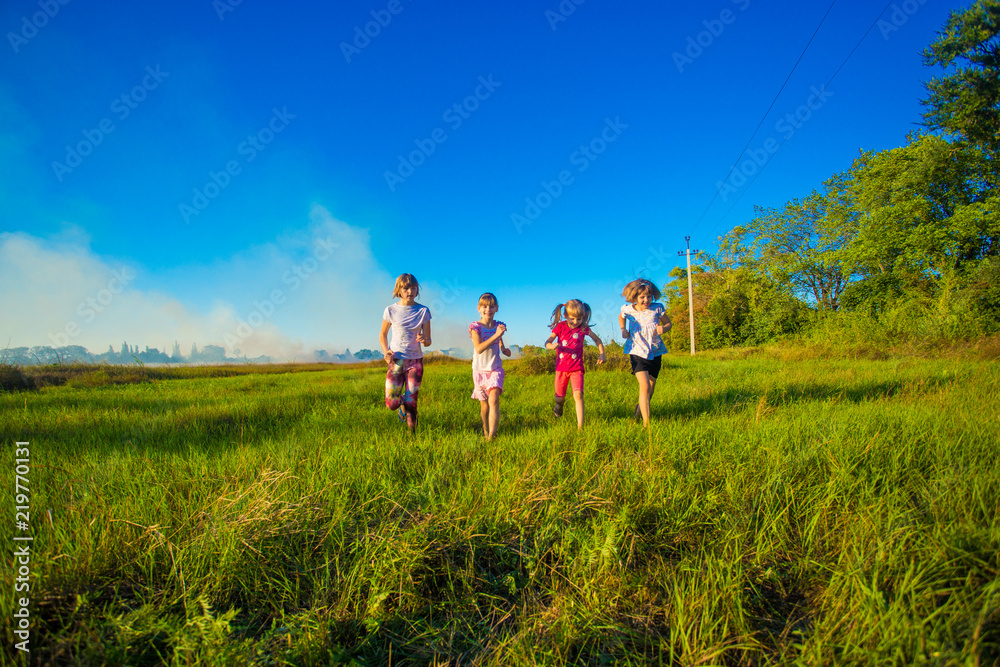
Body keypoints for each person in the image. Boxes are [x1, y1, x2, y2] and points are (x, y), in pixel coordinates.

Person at [379, 273, 432, 432]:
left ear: (417, 290)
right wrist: (386, 352)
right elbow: (382, 334)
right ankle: (401, 401)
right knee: (391, 404)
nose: (410, 291)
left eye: (413, 288)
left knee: (412, 402)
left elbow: (429, 341)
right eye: (406, 288)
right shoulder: (390, 310)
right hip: (396, 361)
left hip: (415, 361)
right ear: (399, 290)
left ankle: (412, 434)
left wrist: (425, 340)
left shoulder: (423, 311)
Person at [545, 299, 605, 430]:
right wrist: (551, 345)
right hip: (561, 369)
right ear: (565, 315)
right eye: (572, 318)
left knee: (578, 395)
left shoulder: (583, 328)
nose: (575, 322)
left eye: (579, 319)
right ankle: (559, 405)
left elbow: (597, 340)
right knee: (559, 399)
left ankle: (580, 427)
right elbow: (547, 342)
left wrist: (602, 353)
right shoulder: (560, 327)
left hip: (577, 368)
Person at [619, 278, 671, 427]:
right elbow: (620, 317)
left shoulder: (657, 308)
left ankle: (638, 412)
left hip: (655, 351)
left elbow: (668, 323)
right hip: (637, 351)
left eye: (649, 297)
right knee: (645, 386)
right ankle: (647, 425)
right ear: (634, 297)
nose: (646, 300)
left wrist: (664, 328)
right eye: (642, 297)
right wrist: (623, 329)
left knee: (651, 388)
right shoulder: (628, 310)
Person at [468, 292, 511, 440]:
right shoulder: (475, 327)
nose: (488, 309)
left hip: (495, 369)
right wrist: (496, 335)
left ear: (497, 308)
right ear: (479, 308)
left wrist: (504, 349)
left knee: (494, 399)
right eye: (484, 306)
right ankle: (485, 431)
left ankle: (492, 436)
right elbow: (479, 348)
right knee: (484, 406)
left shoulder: (499, 325)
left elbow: (499, 341)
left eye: (492, 306)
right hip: (479, 371)